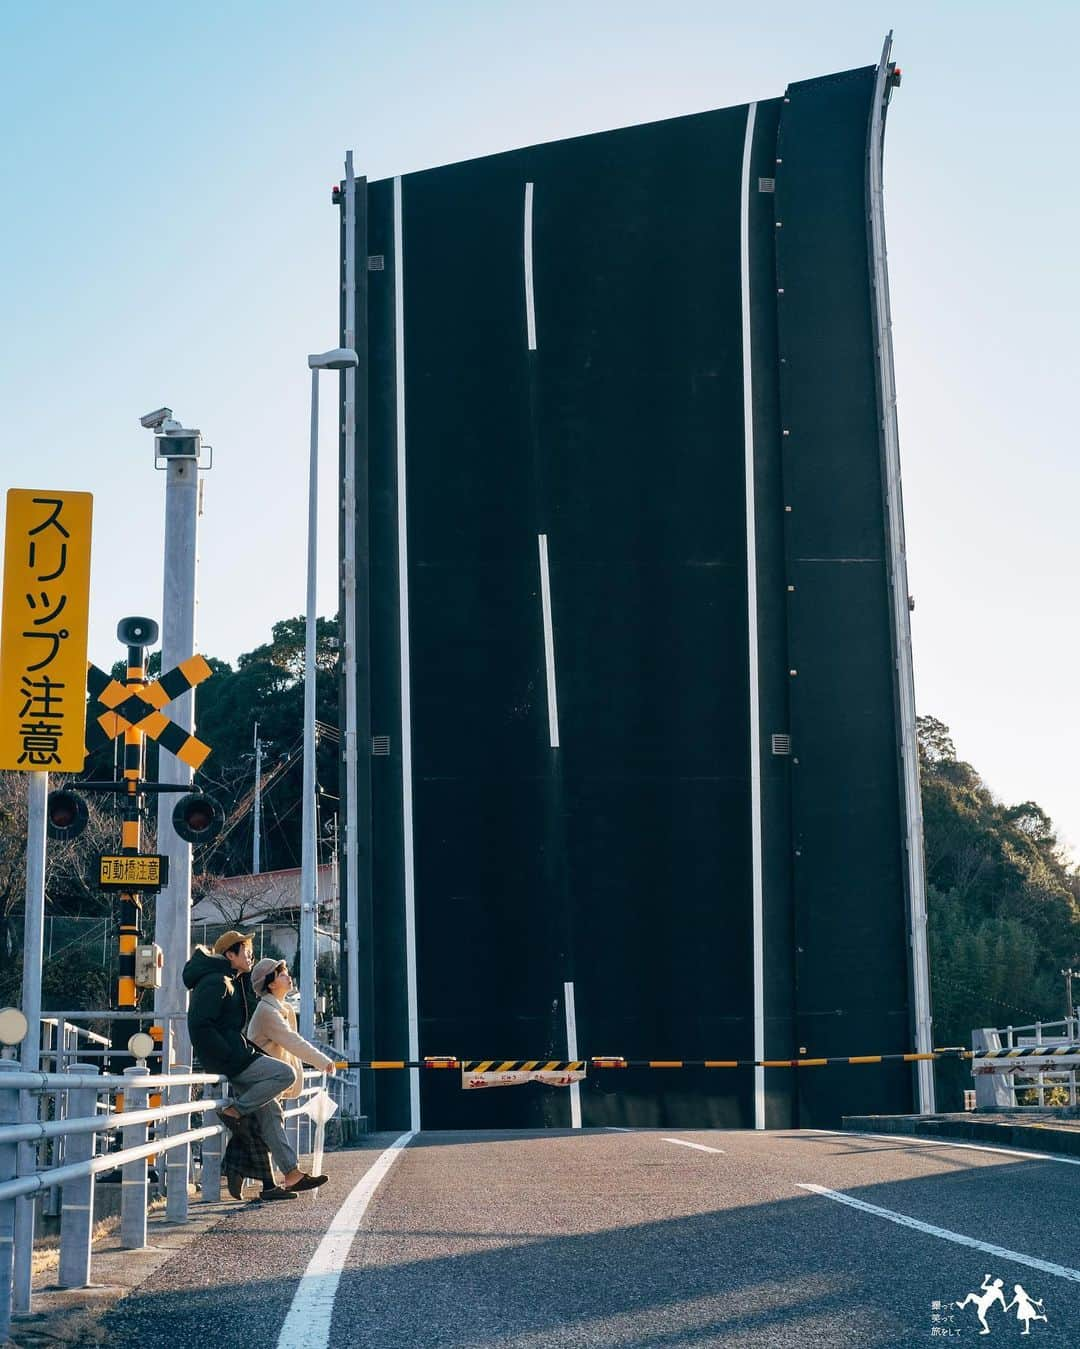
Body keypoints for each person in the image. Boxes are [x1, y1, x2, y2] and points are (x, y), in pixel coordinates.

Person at [183, 931, 297, 1201]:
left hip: (236, 1056)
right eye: (244, 951)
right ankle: (235, 1112)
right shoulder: (216, 982)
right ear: (229, 955)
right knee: (284, 1074)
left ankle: (288, 1175)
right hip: (233, 1059)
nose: (250, 955)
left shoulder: (231, 981)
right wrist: (225, 1055)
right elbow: (200, 1025)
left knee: (269, 1112)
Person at [247, 957, 336, 1192]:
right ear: (271, 984)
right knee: (272, 1122)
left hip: (269, 1081)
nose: (288, 976)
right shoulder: (267, 1011)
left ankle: (271, 1180)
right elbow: (292, 1042)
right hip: (262, 1080)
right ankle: (291, 1175)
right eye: (281, 974)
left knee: (267, 1127)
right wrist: (322, 1061)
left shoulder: (281, 1009)